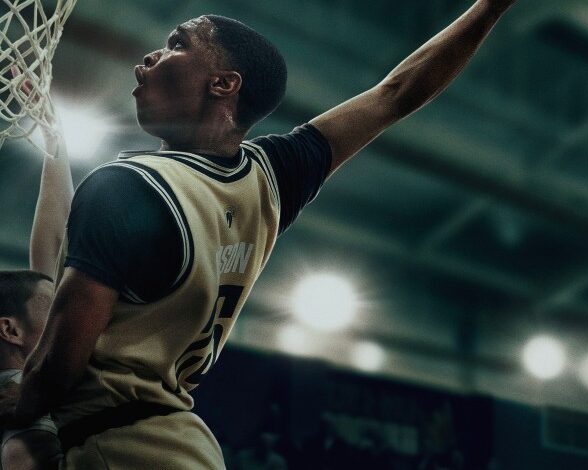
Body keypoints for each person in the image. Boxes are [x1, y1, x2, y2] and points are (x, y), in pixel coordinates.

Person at [0, 0, 517, 468]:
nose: (147, 59)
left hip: (119, 451)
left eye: (177, 44)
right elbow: (394, 94)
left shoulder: (128, 186)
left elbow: (58, 367)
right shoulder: (269, 177)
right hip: (175, 443)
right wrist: (491, 8)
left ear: (224, 83)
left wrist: (17, 401)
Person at [0, 119, 73, 468]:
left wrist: (55, 138)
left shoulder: (35, 389)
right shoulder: (28, 419)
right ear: (10, 329)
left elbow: (60, 245)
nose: (66, 307)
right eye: (52, 302)